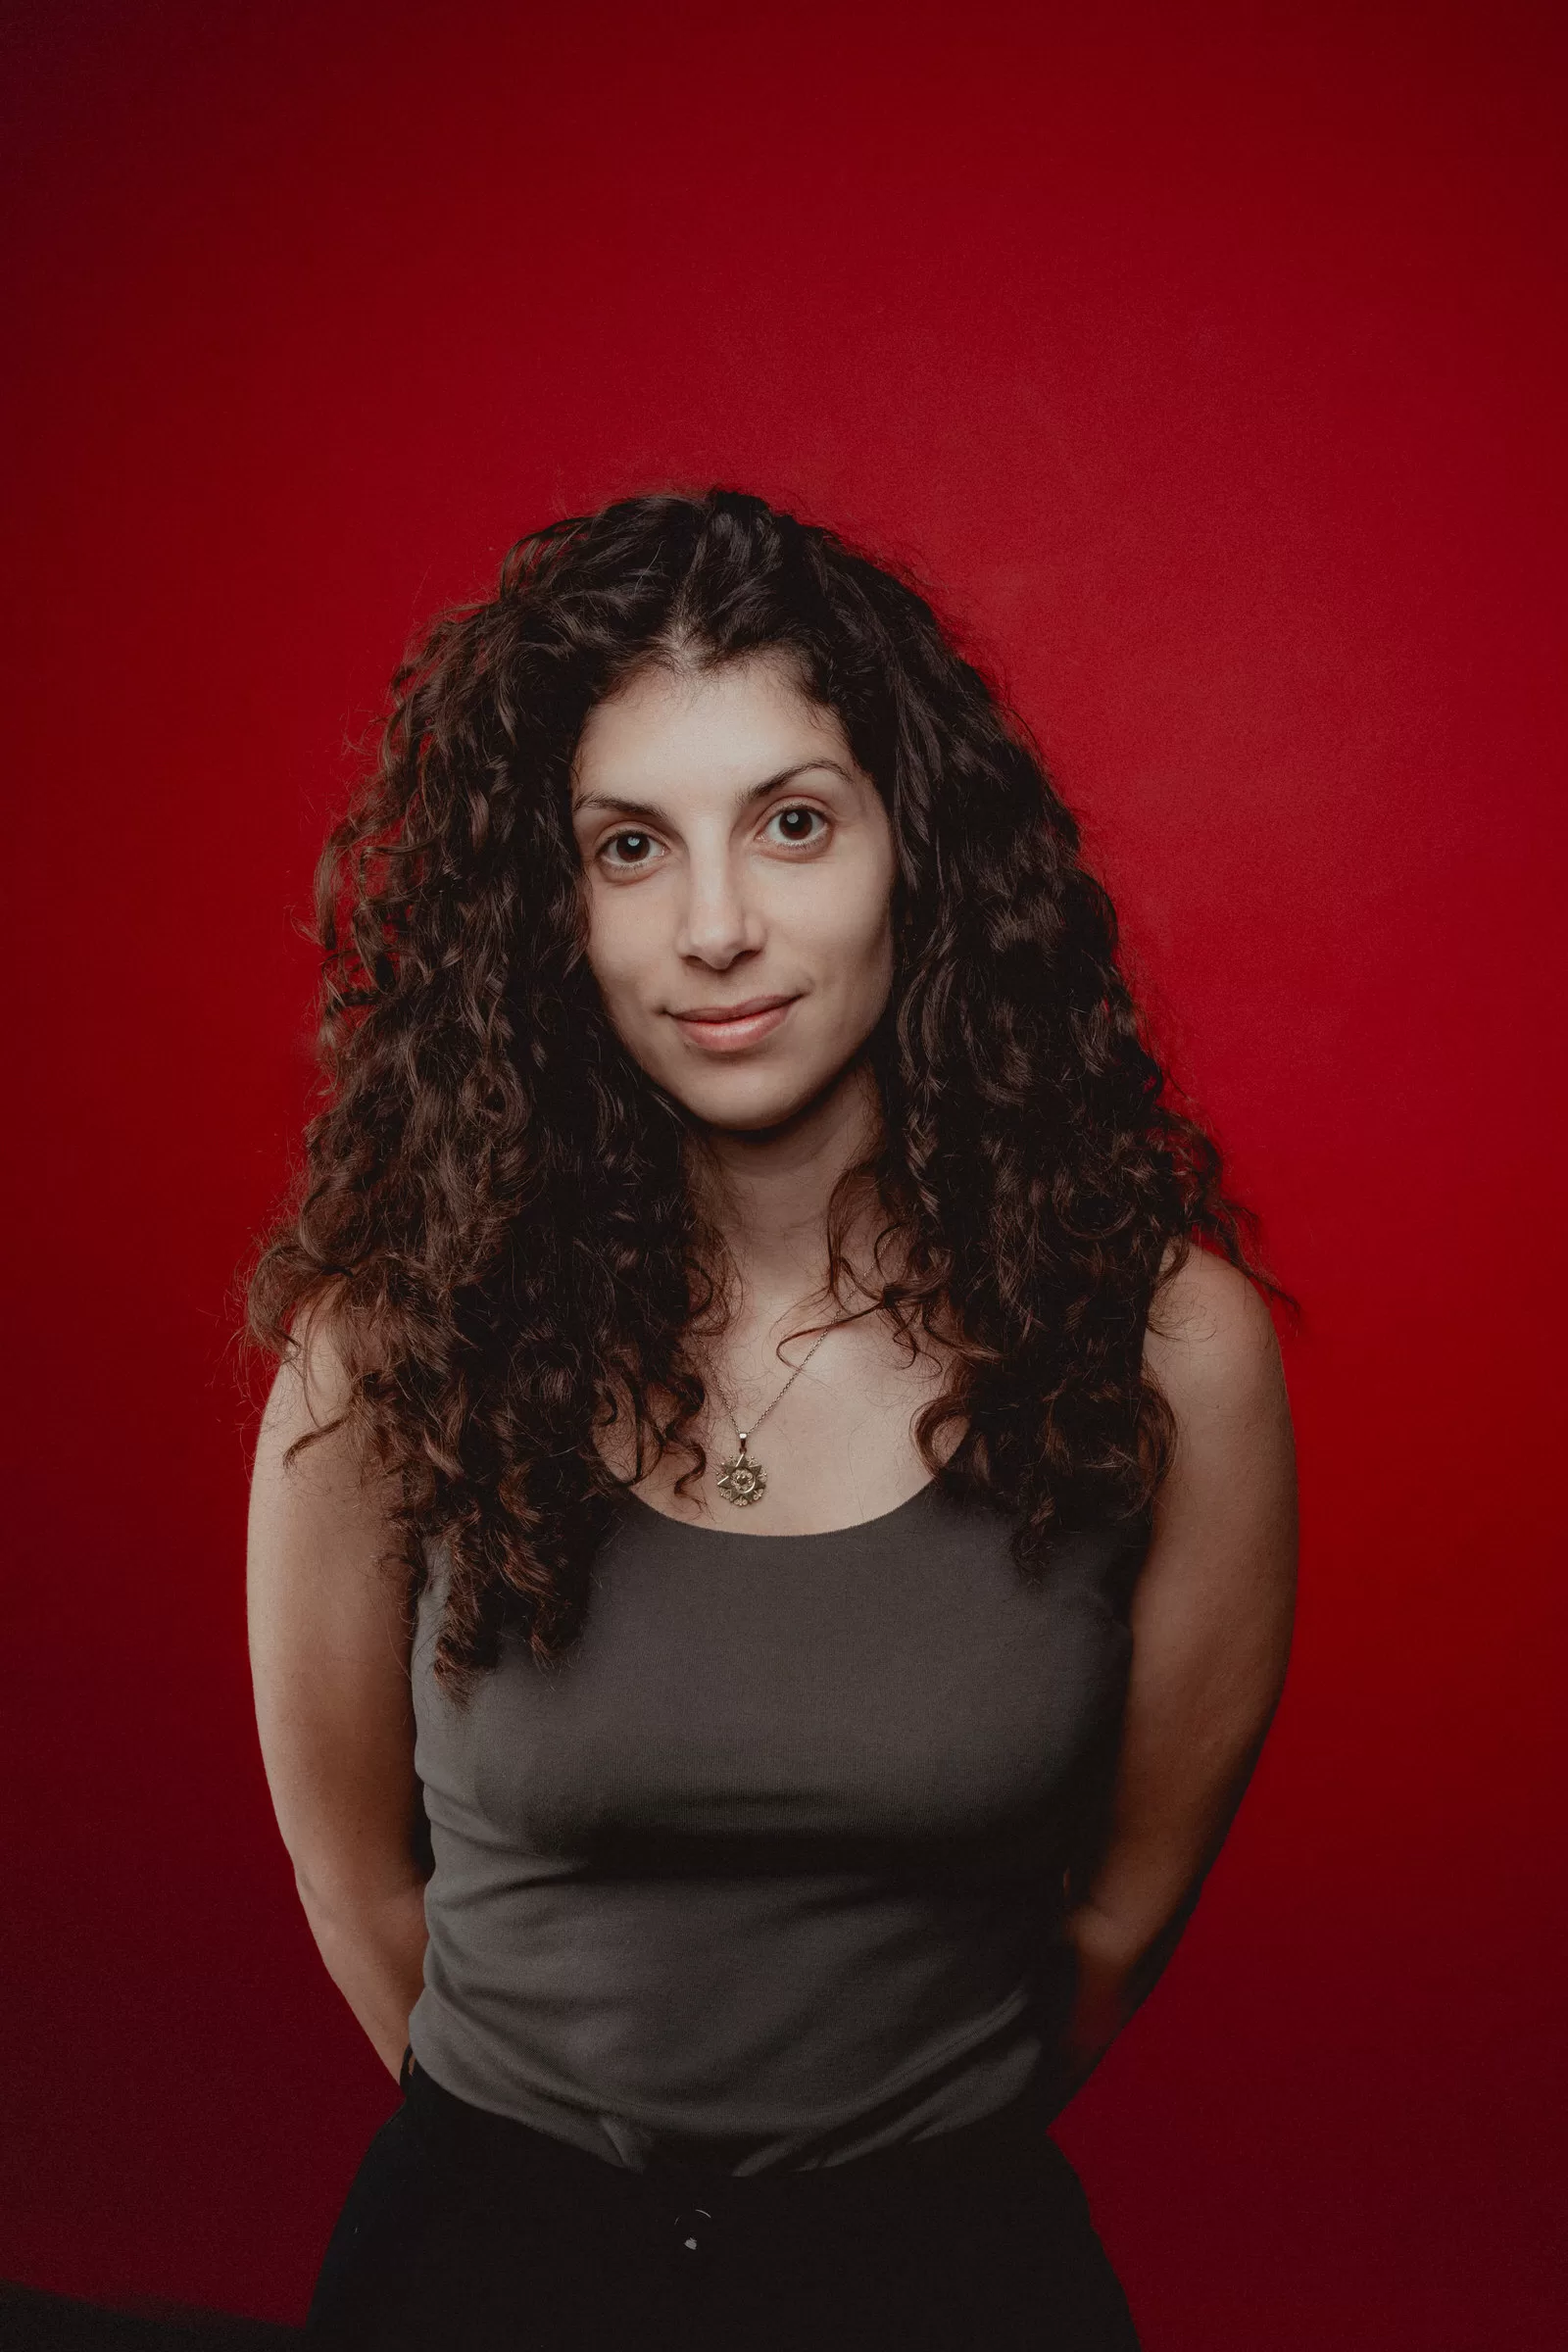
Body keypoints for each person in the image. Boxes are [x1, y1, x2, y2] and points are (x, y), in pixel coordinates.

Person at [243, 487, 1298, 2349]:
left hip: (946, 2274)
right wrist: (570, 2200)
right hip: (482, 2268)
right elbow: (352, 1879)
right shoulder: (388, 1351)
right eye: (630, 846)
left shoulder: (1162, 1347)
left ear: (918, 852)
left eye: (792, 824)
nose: (717, 925)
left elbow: (1122, 1922)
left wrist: (865, 2197)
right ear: (549, 910)